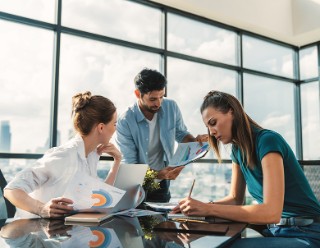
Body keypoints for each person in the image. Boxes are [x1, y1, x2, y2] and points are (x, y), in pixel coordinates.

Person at [172, 90, 320, 247]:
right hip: (276, 231)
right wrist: (196, 207)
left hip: (305, 232)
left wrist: (207, 208)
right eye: (208, 127)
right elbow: (235, 199)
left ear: (232, 112)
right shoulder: (237, 151)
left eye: (213, 123)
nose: (211, 132)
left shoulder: (268, 141)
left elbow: (271, 212)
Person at [4, 91, 122, 219]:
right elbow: (11, 190)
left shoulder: (92, 154)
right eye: (114, 124)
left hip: (64, 232)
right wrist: (42, 208)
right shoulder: (64, 156)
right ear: (101, 128)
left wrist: (117, 161)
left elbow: (101, 198)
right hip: (34, 231)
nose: (116, 129)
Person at [116, 68, 208, 203]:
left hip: (162, 180)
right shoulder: (125, 120)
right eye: (152, 99)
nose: (158, 103)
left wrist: (196, 142)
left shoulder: (171, 107)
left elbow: (181, 134)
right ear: (138, 94)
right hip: (136, 182)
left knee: (161, 221)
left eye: (161, 96)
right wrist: (156, 174)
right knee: (136, 221)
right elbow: (131, 164)